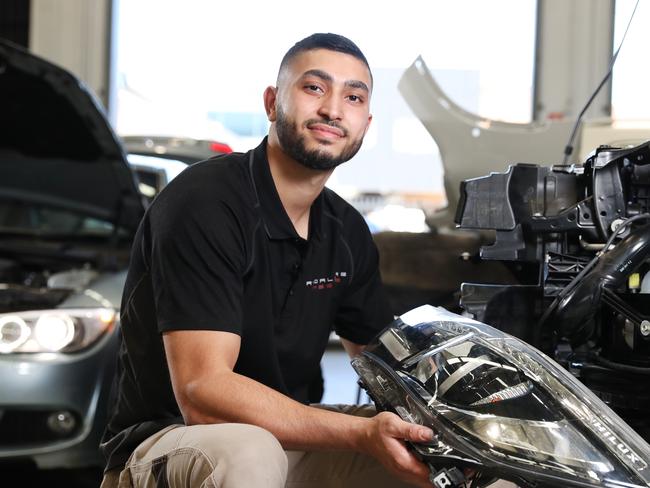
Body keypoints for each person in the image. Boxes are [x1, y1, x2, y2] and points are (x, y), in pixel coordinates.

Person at [100, 33, 435, 488]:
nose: (333, 110)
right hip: (171, 443)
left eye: (352, 97)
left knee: (438, 456)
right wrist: (359, 432)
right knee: (250, 451)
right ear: (272, 102)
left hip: (286, 445)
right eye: (314, 88)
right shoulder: (206, 202)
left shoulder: (345, 229)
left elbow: (383, 366)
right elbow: (203, 393)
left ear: (366, 121)